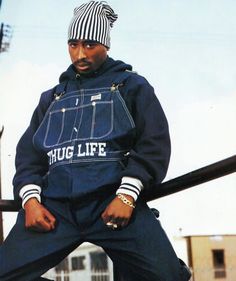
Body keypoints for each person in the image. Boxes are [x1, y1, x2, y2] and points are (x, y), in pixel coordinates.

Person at [0, 1, 191, 280]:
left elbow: (153, 143)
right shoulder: (52, 97)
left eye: (90, 44)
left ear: (106, 45)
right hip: (56, 209)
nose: (80, 54)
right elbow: (29, 156)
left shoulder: (132, 86)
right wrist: (30, 200)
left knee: (167, 276)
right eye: (73, 44)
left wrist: (127, 195)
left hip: (112, 202)